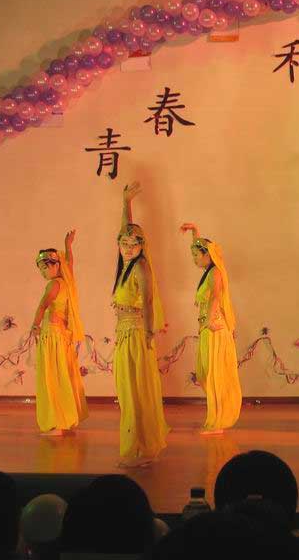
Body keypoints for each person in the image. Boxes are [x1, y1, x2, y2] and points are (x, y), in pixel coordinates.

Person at [112, 181, 169, 467]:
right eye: (124, 243)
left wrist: (147, 334)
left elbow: (146, 301)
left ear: (142, 246)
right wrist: (126, 203)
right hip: (124, 333)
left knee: (137, 391)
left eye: (133, 244)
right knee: (127, 391)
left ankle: (141, 448)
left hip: (135, 334)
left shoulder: (141, 266)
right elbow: (125, 228)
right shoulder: (126, 265)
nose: (128, 247)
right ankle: (136, 446)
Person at [180, 223, 242, 434]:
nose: (194, 259)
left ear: (207, 255)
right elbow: (202, 246)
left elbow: (216, 296)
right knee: (205, 373)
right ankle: (216, 417)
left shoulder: (215, 273)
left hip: (214, 328)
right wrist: (194, 232)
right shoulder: (209, 271)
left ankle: (217, 421)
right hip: (207, 328)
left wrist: (209, 320)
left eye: (196, 255)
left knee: (215, 375)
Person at [30, 230, 88, 435]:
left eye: (44, 268)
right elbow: (70, 262)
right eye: (41, 269)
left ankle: (58, 422)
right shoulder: (66, 282)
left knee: (53, 378)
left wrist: (35, 325)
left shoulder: (54, 284)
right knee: (62, 375)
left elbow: (42, 305)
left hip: (53, 336)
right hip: (60, 335)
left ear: (54, 265)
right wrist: (68, 245)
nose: (43, 273)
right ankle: (65, 419)